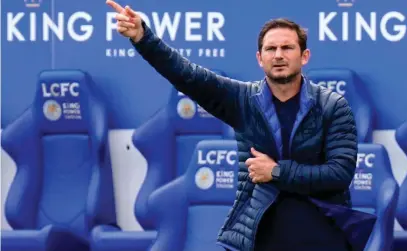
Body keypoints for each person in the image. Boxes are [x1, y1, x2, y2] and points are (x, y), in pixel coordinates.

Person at [106, 1, 366, 251]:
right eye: (270, 49)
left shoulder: (333, 106)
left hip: (324, 238)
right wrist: (143, 38)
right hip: (261, 239)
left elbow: (339, 173)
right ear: (259, 58)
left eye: (287, 48)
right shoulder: (243, 101)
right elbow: (187, 76)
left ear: (304, 55)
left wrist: (276, 172)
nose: (278, 55)